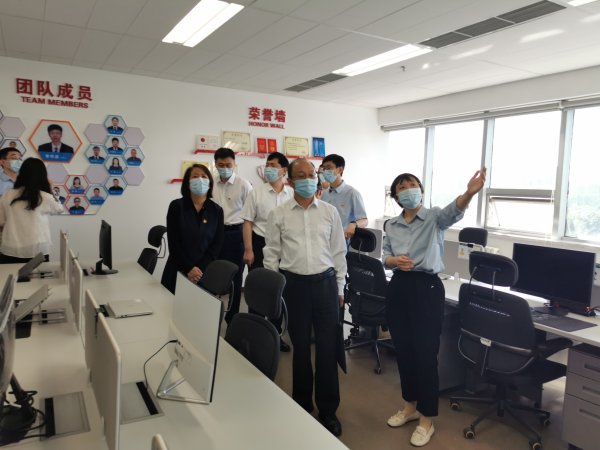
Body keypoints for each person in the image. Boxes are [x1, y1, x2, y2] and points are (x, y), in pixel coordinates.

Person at [383, 169, 486, 447]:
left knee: (425, 355)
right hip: (399, 286)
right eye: (402, 187)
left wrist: (469, 193)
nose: (408, 189)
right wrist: (393, 261)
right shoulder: (391, 224)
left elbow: (455, 210)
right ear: (396, 196)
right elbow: (385, 255)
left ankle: (427, 418)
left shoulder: (434, 218)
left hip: (426, 288)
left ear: (421, 190)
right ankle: (410, 407)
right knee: (404, 352)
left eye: (412, 184)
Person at [263, 158, 347, 437]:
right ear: (289, 181)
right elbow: (271, 255)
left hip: (325, 285)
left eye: (312, 174)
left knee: (327, 349)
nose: (309, 179)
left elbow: (338, 253)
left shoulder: (330, 212)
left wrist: (339, 288)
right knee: (300, 349)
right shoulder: (279, 214)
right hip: (294, 286)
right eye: (301, 175)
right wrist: (274, 292)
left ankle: (328, 410)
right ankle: (301, 404)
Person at [240, 152, 293, 351]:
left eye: (273, 165)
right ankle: (255, 335)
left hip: (284, 247)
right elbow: (247, 222)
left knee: (279, 291)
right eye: (267, 164)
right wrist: (248, 249)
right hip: (259, 244)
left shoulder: (291, 194)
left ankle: (276, 335)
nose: (268, 168)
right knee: (258, 289)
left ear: (284, 170)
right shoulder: (257, 192)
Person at [161, 164, 224, 294]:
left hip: (204, 272)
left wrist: (198, 270)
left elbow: (216, 244)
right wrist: (189, 268)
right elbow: (173, 243)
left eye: (204, 176)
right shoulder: (176, 206)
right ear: (187, 183)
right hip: (178, 268)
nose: (200, 179)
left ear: (210, 183)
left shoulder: (217, 210)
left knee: (201, 305)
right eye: (195, 176)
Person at [211, 147, 252, 324]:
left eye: (228, 165)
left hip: (236, 234)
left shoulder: (244, 185)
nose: (225, 168)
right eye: (221, 165)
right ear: (215, 164)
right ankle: (211, 313)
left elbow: (251, 214)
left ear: (234, 164)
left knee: (235, 276)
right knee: (213, 274)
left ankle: (232, 316)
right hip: (214, 234)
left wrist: (248, 246)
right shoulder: (211, 183)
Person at [0, 158, 64, 263]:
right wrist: (50, 188)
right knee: (39, 274)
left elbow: (1, 221)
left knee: (9, 274)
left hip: (11, 248)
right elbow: (59, 209)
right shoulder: (45, 196)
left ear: (21, 173)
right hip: (38, 249)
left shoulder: (7, 195)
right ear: (43, 175)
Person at [320, 154, 368, 240]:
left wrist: (354, 224)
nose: (325, 171)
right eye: (324, 168)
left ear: (340, 170)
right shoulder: (324, 193)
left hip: (344, 242)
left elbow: (364, 220)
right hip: (325, 240)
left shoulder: (352, 193)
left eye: (329, 168)